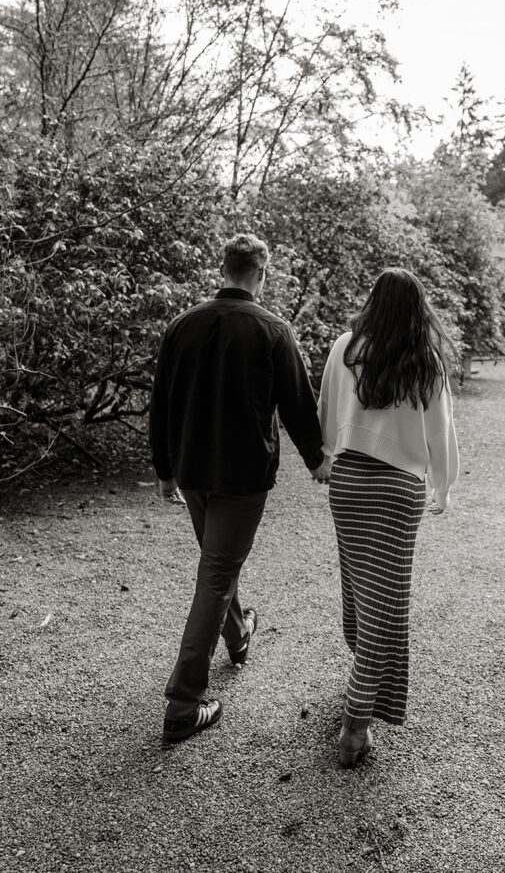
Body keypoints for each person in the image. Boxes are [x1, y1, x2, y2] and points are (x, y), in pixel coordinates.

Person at [150, 233, 332, 744]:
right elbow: (298, 403)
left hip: (192, 468)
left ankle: (239, 632)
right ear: (261, 274)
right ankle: (184, 704)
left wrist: (164, 469)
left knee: (217, 562)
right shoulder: (274, 330)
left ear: (224, 268)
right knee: (216, 572)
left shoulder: (181, 326)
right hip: (243, 476)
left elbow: (160, 403)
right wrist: (317, 459)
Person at [318, 268, 459, 768]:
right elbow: (440, 432)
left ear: (373, 301)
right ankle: (355, 725)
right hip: (399, 488)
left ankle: (363, 672)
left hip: (350, 482)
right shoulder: (425, 361)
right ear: (418, 307)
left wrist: (333, 451)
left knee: (359, 588)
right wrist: (443, 485)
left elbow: (326, 409)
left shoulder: (345, 348)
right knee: (388, 600)